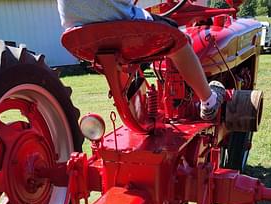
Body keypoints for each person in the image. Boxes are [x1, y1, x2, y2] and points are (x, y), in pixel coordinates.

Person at [57, 0, 225, 121]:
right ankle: (208, 101)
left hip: (77, 33)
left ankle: (139, 109)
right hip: (117, 21)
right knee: (181, 40)